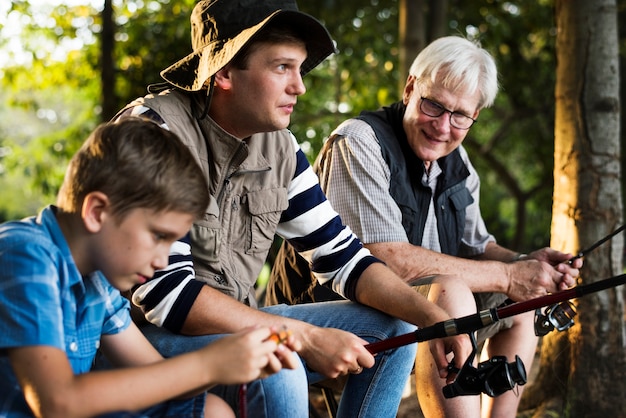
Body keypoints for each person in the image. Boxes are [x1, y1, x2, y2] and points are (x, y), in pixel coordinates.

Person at [107, 1, 475, 417]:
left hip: (239, 328)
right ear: (224, 71)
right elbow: (165, 296)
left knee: (397, 326)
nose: (299, 86)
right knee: (276, 360)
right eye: (283, 67)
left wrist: (436, 319)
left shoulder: (280, 150)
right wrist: (301, 337)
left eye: (300, 69)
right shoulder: (154, 132)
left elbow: (345, 261)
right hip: (140, 342)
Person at [267, 36, 583, 418]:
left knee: (522, 298)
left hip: (415, 316)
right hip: (331, 314)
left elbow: (478, 247)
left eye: (460, 116)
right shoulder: (359, 141)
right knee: (451, 290)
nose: (443, 126)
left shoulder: (459, 164)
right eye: (433, 105)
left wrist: (529, 267)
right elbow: (384, 259)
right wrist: (508, 275)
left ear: (475, 116)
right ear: (410, 88)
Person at [0, 119, 302, 418]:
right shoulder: (26, 253)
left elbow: (157, 375)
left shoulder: (97, 280)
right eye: (159, 236)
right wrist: (209, 363)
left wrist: (237, 356)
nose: (161, 261)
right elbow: (56, 403)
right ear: (97, 212)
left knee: (212, 411)